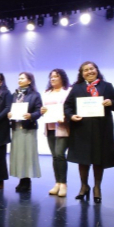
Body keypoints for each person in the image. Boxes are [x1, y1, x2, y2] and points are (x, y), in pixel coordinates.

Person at [64, 61, 114, 202]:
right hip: (81, 129)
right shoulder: (76, 88)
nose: (89, 71)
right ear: (81, 74)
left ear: (97, 70)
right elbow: (67, 106)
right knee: (83, 160)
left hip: (101, 129)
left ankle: (97, 187)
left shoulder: (106, 86)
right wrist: (71, 116)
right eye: (86, 70)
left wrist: (111, 103)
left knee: (98, 159)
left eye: (92, 68)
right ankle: (84, 186)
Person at [9, 72, 42, 192]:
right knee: (18, 154)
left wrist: (31, 115)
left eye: (22, 78)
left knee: (27, 154)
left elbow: (39, 111)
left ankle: (27, 180)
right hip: (16, 127)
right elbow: (10, 108)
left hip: (28, 128)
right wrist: (9, 114)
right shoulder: (15, 94)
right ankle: (21, 179)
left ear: (29, 81)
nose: (19, 80)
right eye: (19, 78)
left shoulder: (35, 95)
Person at [41, 69, 72, 197]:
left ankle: (63, 183)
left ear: (62, 78)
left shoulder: (68, 91)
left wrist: (65, 116)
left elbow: (71, 107)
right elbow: (43, 108)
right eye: (51, 77)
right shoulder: (46, 92)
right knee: (54, 156)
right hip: (50, 127)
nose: (53, 79)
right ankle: (57, 183)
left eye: (56, 76)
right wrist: (42, 110)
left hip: (63, 126)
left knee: (60, 154)